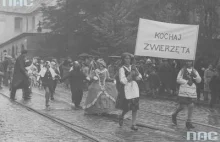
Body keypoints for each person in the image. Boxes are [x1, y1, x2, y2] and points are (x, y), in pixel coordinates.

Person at [116, 53, 142, 131]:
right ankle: (122, 115)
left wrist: (136, 74)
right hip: (126, 89)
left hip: (134, 88)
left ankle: (133, 124)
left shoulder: (133, 67)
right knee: (127, 107)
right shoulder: (122, 69)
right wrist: (129, 76)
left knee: (135, 107)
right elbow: (122, 80)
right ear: (123, 59)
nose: (128, 60)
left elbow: (140, 77)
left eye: (129, 58)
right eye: (126, 58)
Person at [172, 60, 201, 129]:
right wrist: (186, 81)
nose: (188, 63)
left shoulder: (194, 70)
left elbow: (199, 81)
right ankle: (174, 114)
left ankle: (188, 122)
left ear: (192, 62)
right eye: (187, 61)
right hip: (184, 91)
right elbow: (178, 79)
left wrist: (196, 76)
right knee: (182, 106)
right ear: (185, 62)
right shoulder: (182, 70)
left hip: (191, 91)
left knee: (191, 105)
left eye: (190, 61)